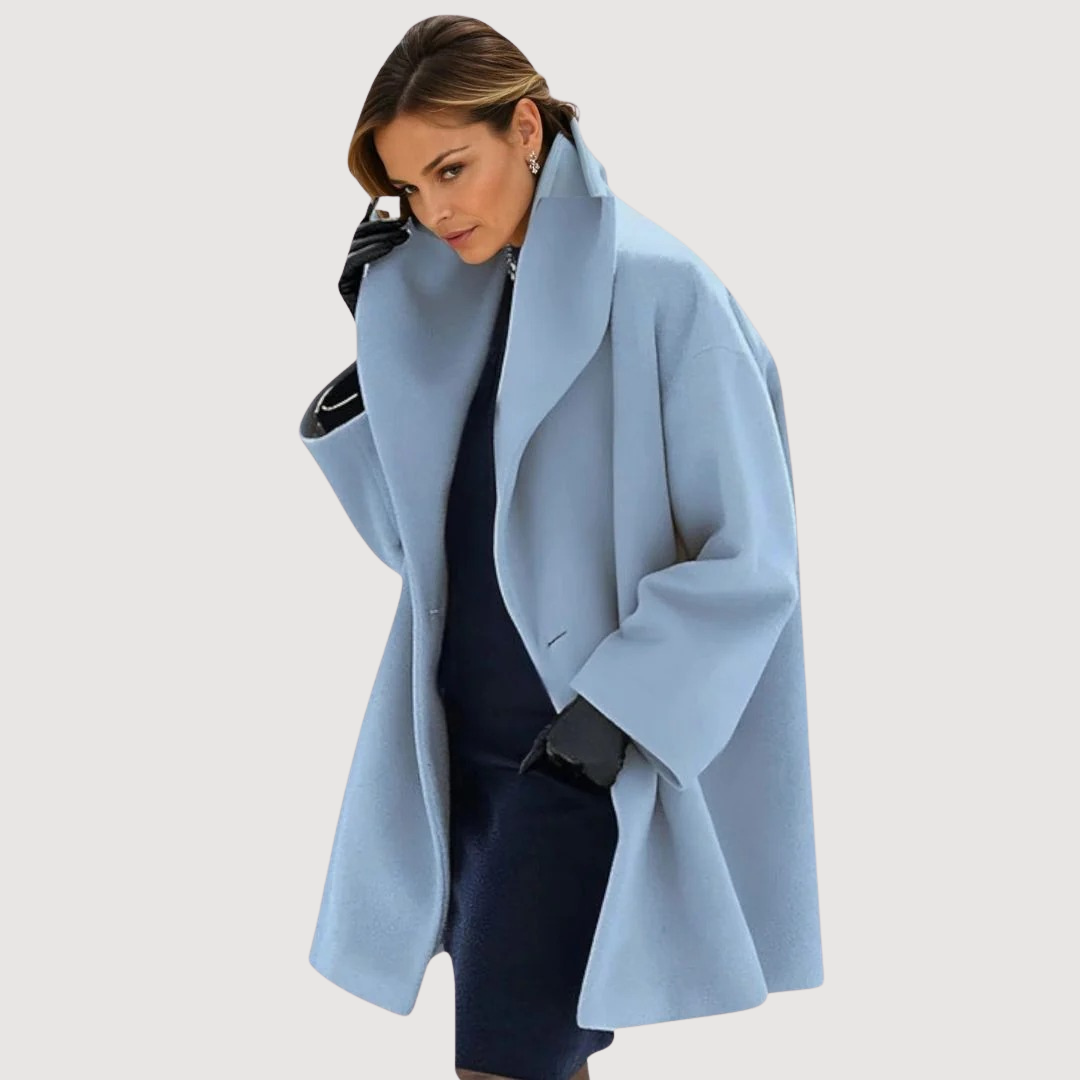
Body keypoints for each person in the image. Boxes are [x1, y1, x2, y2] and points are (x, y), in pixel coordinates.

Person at [299, 14, 822, 1080]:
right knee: (533, 1058)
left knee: (503, 1061)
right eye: (409, 189)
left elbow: (752, 555)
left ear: (527, 129)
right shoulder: (464, 301)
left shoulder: (662, 288)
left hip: (576, 758)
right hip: (455, 745)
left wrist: (610, 718)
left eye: (453, 168)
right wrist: (383, 345)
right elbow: (418, 549)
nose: (435, 211)